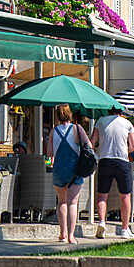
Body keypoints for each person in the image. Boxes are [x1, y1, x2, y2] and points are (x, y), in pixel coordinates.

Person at [91, 105, 134, 240]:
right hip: (121, 161)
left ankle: (101, 222)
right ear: (120, 112)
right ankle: (124, 229)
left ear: (108, 111)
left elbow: (92, 142)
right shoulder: (127, 123)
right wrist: (124, 151)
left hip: (105, 160)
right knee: (125, 196)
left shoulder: (100, 121)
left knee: (102, 195)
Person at [50, 103, 92, 245]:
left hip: (59, 171)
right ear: (70, 114)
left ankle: (61, 234)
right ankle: (71, 236)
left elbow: (50, 152)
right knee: (72, 203)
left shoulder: (53, 131)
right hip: (74, 170)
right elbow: (89, 146)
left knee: (61, 202)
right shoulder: (77, 129)